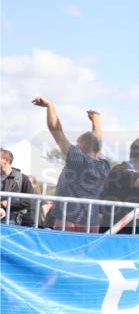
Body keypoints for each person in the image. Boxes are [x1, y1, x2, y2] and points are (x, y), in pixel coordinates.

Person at [32, 97, 110, 231]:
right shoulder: (104, 165)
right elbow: (96, 144)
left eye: (77, 144)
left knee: (63, 251)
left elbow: (56, 131)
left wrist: (50, 105)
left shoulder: (78, 159)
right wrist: (96, 122)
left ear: (84, 145)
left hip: (69, 219)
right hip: (92, 221)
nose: (75, 146)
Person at [0, 148, 34, 226]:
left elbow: (30, 200)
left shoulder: (22, 178)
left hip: (12, 221)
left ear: (6, 161)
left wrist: (9, 203)